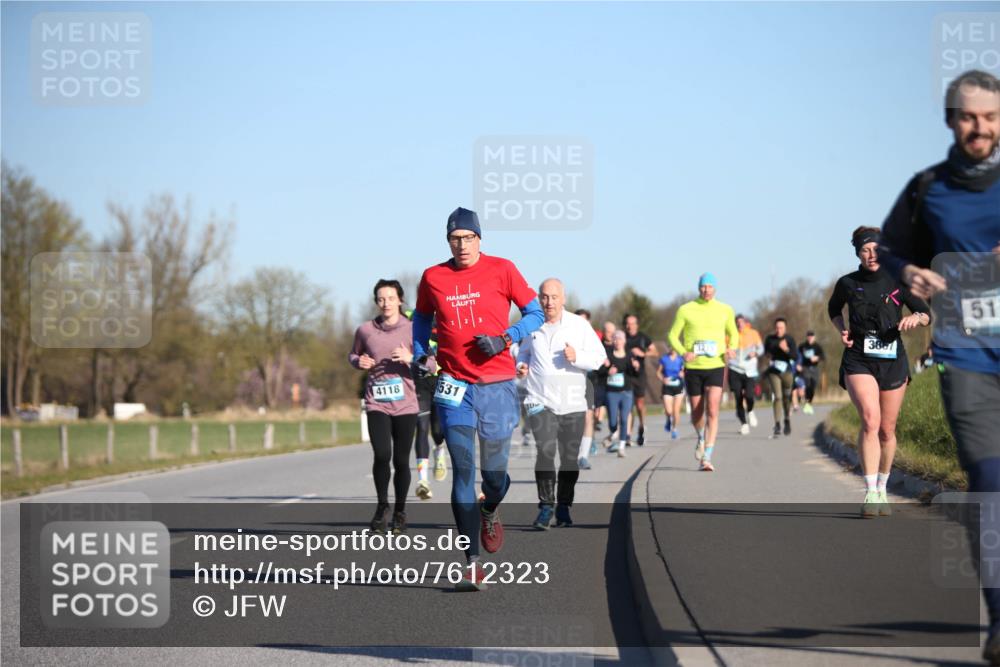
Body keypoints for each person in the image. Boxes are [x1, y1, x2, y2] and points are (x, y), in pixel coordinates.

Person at [877, 69, 1000, 662]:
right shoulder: (928, 188)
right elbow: (892, 246)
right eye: (970, 117)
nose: (981, 128)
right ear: (952, 121)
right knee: (991, 481)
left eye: (991, 117)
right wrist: (909, 272)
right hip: (966, 354)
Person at [411, 207, 543, 591]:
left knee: (495, 476)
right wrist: (422, 352)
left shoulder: (503, 269)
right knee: (463, 469)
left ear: (480, 239)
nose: (462, 245)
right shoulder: (433, 277)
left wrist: (506, 338)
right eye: (455, 239)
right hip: (454, 386)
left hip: (498, 384)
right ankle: (471, 563)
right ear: (448, 241)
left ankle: (490, 507)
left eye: (469, 238)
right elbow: (421, 318)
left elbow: (534, 313)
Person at [828, 226, 931, 518]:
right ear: (858, 253)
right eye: (865, 249)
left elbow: (926, 313)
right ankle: (871, 491)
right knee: (870, 420)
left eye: (876, 249)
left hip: (892, 360)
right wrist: (842, 330)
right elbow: (833, 309)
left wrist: (916, 318)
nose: (871, 255)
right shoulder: (847, 283)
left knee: (887, 429)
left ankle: (883, 486)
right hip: (859, 358)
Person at [517, 280, 607, 528]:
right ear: (539, 298)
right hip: (538, 400)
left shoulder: (579, 325)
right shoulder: (531, 323)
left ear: (563, 298)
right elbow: (522, 352)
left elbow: (600, 358)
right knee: (545, 451)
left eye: (554, 297)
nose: (549, 302)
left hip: (572, 402)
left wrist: (578, 357)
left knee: (569, 459)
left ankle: (564, 506)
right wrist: (520, 365)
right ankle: (546, 507)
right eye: (545, 297)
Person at [349, 279, 428, 535]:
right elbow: (353, 355)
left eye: (390, 298)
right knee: (382, 455)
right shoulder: (365, 330)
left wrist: (411, 358)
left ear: (400, 301)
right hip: (376, 403)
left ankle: (400, 511)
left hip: (406, 404)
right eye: (381, 299)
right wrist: (358, 361)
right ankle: (382, 506)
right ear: (376, 302)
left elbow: (430, 363)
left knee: (401, 460)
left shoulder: (414, 328)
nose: (386, 303)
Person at [668, 272, 739, 471]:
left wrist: (731, 348)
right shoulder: (686, 309)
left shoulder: (725, 310)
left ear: (715, 288)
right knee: (697, 411)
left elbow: (733, 334)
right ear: (698, 288)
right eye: (703, 287)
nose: (706, 290)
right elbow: (673, 335)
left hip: (716, 364)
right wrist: (684, 352)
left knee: (713, 409)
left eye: (709, 287)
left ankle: (707, 456)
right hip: (694, 367)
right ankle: (700, 436)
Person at [410, 321, 446, 498]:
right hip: (421, 385)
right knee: (422, 428)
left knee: (438, 431)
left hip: (441, 382)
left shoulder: (447, 318)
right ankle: (422, 480)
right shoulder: (416, 319)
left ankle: (439, 449)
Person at [573, 308, 604, 469]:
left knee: (588, 417)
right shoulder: (567, 337)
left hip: (589, 382)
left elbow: (601, 357)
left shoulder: (594, 338)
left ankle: (583, 456)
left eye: (584, 320)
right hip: (569, 383)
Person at [603, 330, 640, 456]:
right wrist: (607, 369)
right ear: (613, 341)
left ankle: (621, 446)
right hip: (611, 392)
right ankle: (613, 432)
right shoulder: (608, 355)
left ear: (624, 341)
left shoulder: (629, 355)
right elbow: (600, 372)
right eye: (615, 339)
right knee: (613, 421)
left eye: (620, 339)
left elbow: (635, 374)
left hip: (626, 392)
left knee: (624, 419)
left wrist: (636, 366)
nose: (617, 341)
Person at [623, 314, 656, 445]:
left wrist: (643, 353)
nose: (630, 326)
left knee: (640, 405)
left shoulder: (643, 337)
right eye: (627, 323)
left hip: (640, 375)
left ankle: (642, 427)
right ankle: (628, 436)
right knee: (628, 406)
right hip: (626, 375)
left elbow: (655, 352)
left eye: (632, 323)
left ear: (637, 325)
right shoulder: (622, 337)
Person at [728, 314, 764, 434]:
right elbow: (724, 348)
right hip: (735, 369)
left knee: (749, 395)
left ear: (745, 323)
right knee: (738, 397)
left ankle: (750, 411)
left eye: (741, 322)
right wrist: (727, 352)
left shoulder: (753, 333)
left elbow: (761, 349)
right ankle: (744, 424)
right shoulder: (730, 335)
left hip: (749, 370)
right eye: (737, 323)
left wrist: (756, 353)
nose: (740, 325)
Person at [763, 318, 797, 437]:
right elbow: (766, 353)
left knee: (787, 397)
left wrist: (786, 349)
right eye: (777, 327)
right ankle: (777, 424)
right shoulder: (769, 339)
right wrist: (769, 355)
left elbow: (795, 356)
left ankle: (787, 418)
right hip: (774, 372)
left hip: (787, 372)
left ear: (785, 328)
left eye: (781, 327)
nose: (779, 330)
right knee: (777, 397)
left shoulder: (789, 339)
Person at [656, 346, 685, 440]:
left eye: (674, 347)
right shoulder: (664, 359)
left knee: (676, 411)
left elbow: (685, 371)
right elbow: (658, 372)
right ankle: (668, 419)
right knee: (669, 411)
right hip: (667, 387)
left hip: (678, 386)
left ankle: (674, 429)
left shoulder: (681, 359)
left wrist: (683, 374)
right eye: (671, 347)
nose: (673, 349)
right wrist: (662, 379)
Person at [797, 330, 825, 414]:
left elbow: (823, 357)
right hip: (805, 368)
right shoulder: (802, 346)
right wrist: (798, 364)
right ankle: (807, 402)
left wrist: (817, 358)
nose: (810, 338)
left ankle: (808, 404)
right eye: (808, 336)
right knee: (808, 384)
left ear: (814, 337)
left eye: (811, 336)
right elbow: (797, 356)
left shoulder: (817, 346)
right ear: (807, 337)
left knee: (813, 386)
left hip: (815, 368)